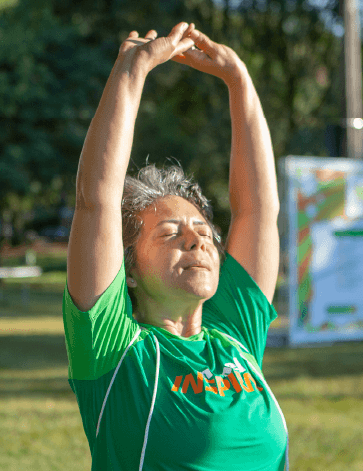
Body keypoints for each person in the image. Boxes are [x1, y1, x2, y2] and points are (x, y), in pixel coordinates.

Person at [63, 22, 287, 470]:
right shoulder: (115, 352)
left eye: (204, 231)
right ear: (128, 268)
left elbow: (258, 210)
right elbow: (97, 200)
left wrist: (239, 81)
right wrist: (133, 71)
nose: (196, 238)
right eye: (170, 233)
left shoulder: (235, 336)